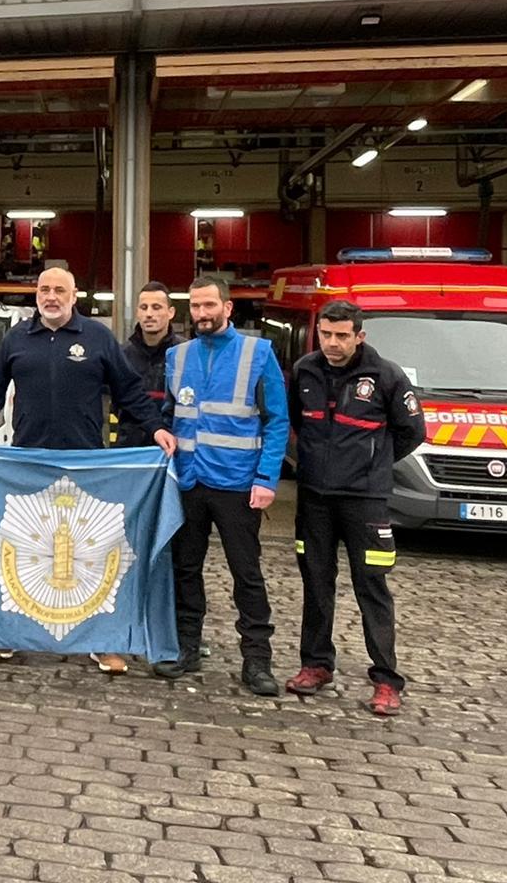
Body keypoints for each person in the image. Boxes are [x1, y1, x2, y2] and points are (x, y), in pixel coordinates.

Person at [0, 266, 176, 670]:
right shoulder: (17, 339)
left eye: (59, 290)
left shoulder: (98, 338)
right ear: (36, 294)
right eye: (44, 289)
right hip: (28, 466)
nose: (51, 296)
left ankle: (102, 641)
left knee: (94, 554)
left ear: (74, 296)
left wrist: (156, 427)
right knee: (21, 552)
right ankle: (7, 634)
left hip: (85, 464)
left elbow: (129, 391)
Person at [286, 300, 424, 717]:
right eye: (326, 334)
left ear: (359, 336)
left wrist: (373, 465)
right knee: (316, 582)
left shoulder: (386, 376)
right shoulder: (305, 371)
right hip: (315, 499)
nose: (332, 342)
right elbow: (295, 422)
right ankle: (315, 664)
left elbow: (412, 431)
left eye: (342, 335)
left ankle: (385, 679)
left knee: (372, 587)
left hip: (365, 501)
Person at [155, 276, 290, 696]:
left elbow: (278, 421)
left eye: (210, 305)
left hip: (237, 484)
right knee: (185, 569)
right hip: (190, 481)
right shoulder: (176, 357)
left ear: (228, 308)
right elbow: (169, 413)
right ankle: (187, 647)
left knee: (246, 574)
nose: (202, 313)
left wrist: (267, 479)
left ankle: (257, 660)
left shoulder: (258, 353)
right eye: (195, 306)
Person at [116, 281, 186, 449]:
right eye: (144, 307)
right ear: (137, 313)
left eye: (156, 307)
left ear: (171, 312)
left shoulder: (185, 354)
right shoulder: (121, 355)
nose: (149, 314)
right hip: (129, 452)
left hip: (175, 449)